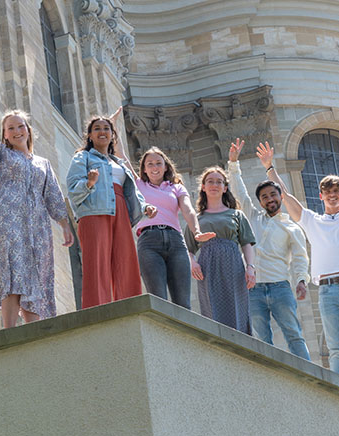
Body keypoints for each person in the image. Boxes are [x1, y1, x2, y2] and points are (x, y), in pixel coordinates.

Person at [260, 120, 339, 390]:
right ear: (321, 196)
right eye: (327, 193)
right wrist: (270, 168)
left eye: (336, 192)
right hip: (328, 291)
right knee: (335, 347)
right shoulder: (311, 220)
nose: (332, 196)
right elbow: (285, 195)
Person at [0, 58, 73, 328]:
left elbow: (54, 197)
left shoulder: (42, 164)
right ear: (5, 135)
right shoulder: (1, 154)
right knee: (12, 269)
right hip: (8, 218)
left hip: (36, 224)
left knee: (35, 271)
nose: (15, 130)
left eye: (20, 125)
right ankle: (9, 329)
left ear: (28, 130)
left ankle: (34, 331)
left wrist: (65, 225)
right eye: (10, 128)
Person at [227, 138, 311, 359]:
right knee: (262, 338)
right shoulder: (253, 217)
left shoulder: (291, 227)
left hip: (280, 288)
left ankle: (308, 378)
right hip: (253, 289)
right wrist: (233, 163)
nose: (269, 199)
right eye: (264, 197)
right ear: (261, 202)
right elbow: (240, 194)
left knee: (294, 335)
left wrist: (301, 280)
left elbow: (301, 257)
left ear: (280, 197)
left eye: (273, 195)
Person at [66, 114, 156, 308]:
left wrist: (144, 206)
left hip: (120, 209)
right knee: (96, 264)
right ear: (90, 135)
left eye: (106, 128)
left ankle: (130, 308)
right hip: (94, 211)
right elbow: (73, 187)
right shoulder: (83, 157)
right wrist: (89, 183)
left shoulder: (120, 163)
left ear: (112, 135)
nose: (102, 132)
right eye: (97, 128)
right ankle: (97, 310)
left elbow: (132, 190)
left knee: (126, 260)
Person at [132, 147, 214, 309]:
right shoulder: (138, 184)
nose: (155, 167)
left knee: (183, 302)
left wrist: (196, 231)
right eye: (150, 164)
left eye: (158, 163)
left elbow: (188, 209)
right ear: (144, 169)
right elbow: (122, 155)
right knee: (158, 300)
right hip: (149, 242)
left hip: (176, 242)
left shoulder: (176, 187)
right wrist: (114, 123)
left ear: (166, 166)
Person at [188, 166, 257, 334]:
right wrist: (193, 263)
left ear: (225, 188)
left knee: (237, 308)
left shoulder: (237, 215)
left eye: (219, 182)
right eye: (210, 181)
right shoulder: (196, 220)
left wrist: (250, 267)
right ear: (203, 187)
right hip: (208, 269)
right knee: (212, 309)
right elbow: (188, 248)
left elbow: (247, 244)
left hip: (234, 267)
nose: (215, 185)